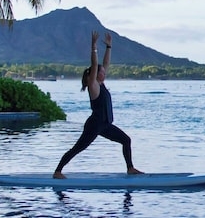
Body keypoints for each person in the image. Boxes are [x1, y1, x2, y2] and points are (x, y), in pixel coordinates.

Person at [53, 31, 141, 179]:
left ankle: (130, 168)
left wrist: (109, 47)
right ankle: (58, 171)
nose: (104, 72)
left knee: (126, 140)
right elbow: (95, 64)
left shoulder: (101, 83)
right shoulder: (93, 85)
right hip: (94, 125)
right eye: (101, 72)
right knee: (78, 148)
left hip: (104, 124)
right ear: (95, 74)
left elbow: (105, 64)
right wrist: (93, 47)